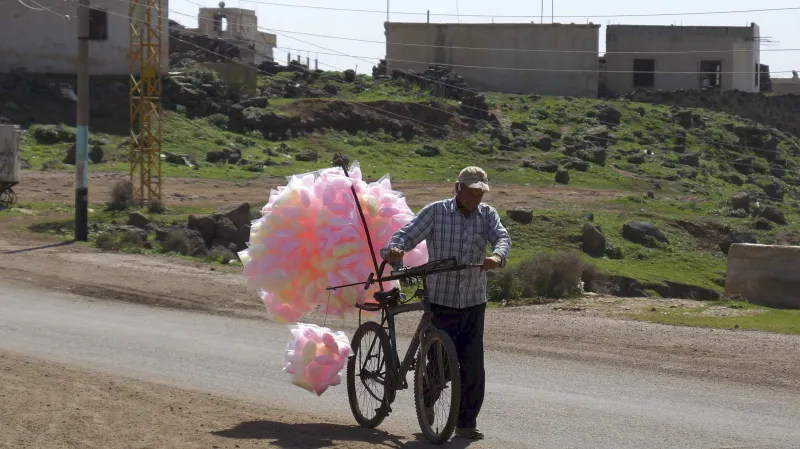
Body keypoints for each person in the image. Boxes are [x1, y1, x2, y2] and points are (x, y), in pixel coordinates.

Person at [380, 166, 511, 440]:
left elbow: (501, 237)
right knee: (440, 366)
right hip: (441, 301)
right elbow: (406, 235)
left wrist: (497, 257)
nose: (476, 198)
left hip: (474, 301)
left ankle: (466, 424)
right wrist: (395, 249)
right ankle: (427, 399)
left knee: (473, 366)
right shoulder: (436, 212)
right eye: (471, 192)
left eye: (480, 193)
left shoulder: (487, 215)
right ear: (457, 188)